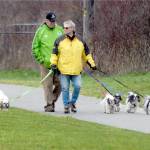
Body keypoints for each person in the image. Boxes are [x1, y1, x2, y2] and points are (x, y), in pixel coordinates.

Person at [50, 20, 96, 113]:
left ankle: (72, 102)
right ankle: (66, 106)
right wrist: (53, 63)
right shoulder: (59, 40)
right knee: (65, 88)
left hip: (76, 70)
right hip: (63, 70)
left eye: (66, 28)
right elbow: (54, 54)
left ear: (72, 28)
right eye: (64, 27)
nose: (64, 29)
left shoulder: (80, 40)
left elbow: (87, 54)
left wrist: (92, 64)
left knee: (78, 86)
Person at [32, 12, 64, 112]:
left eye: (54, 21)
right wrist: (41, 59)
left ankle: (52, 98)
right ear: (46, 21)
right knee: (48, 85)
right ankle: (49, 105)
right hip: (45, 64)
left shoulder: (60, 30)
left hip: (58, 64)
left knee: (62, 83)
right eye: (50, 21)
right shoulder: (40, 31)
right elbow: (35, 47)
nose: (52, 23)